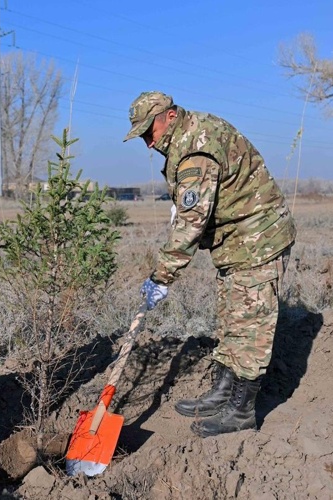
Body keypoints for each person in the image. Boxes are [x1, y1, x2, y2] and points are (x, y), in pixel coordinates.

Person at [124, 91, 296, 438]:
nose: (148, 143)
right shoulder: (188, 135)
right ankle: (222, 393)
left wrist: (162, 276)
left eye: (149, 132)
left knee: (251, 327)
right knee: (232, 318)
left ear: (169, 116)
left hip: (258, 241)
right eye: (142, 136)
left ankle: (242, 410)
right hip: (236, 243)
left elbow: (190, 223)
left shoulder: (194, 151)